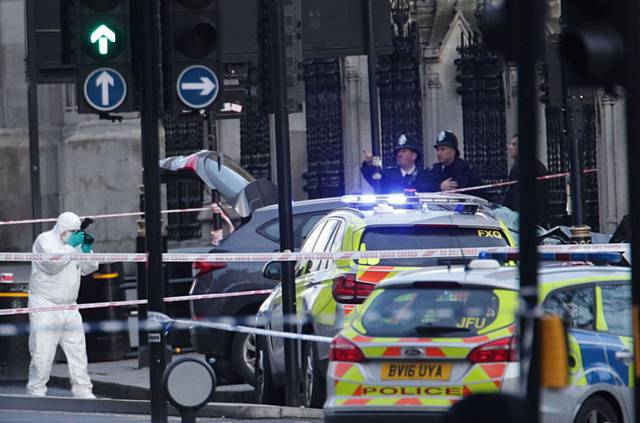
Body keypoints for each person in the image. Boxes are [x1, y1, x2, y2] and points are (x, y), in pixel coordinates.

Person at [26, 212, 98, 399]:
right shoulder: (45, 241)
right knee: (42, 351)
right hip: (45, 304)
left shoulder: (72, 245)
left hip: (69, 306)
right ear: (61, 228)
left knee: (78, 351)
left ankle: (83, 389)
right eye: (71, 231)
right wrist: (70, 246)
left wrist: (87, 249)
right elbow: (52, 265)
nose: (73, 234)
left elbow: (87, 269)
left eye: (77, 231)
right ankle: (36, 389)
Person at [502, 134, 549, 226]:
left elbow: (515, 195)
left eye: (514, 144)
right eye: (510, 144)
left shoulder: (522, 167)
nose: (510, 147)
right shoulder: (532, 165)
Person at [361, 134, 431, 194]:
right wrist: (368, 163)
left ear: (414, 156)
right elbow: (372, 177)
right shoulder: (388, 175)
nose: (399, 154)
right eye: (398, 152)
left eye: (404, 151)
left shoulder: (426, 175)